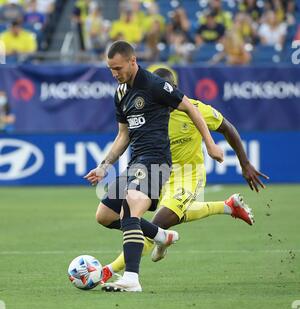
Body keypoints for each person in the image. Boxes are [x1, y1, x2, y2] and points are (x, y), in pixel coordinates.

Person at [100, 67, 269, 284]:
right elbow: (124, 135)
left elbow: (227, 127)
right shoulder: (145, 110)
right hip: (157, 171)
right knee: (130, 217)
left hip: (187, 176)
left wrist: (244, 163)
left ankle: (109, 271)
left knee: (158, 223)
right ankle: (227, 206)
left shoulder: (194, 109)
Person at [84, 41, 223, 292]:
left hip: (156, 160)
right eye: (110, 69)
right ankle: (161, 235)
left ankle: (132, 279)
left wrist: (211, 145)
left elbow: (191, 107)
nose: (114, 74)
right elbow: (123, 135)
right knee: (104, 215)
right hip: (136, 162)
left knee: (130, 208)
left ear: (132, 61)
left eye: (117, 68)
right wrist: (105, 165)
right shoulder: (120, 94)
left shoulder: (155, 85)